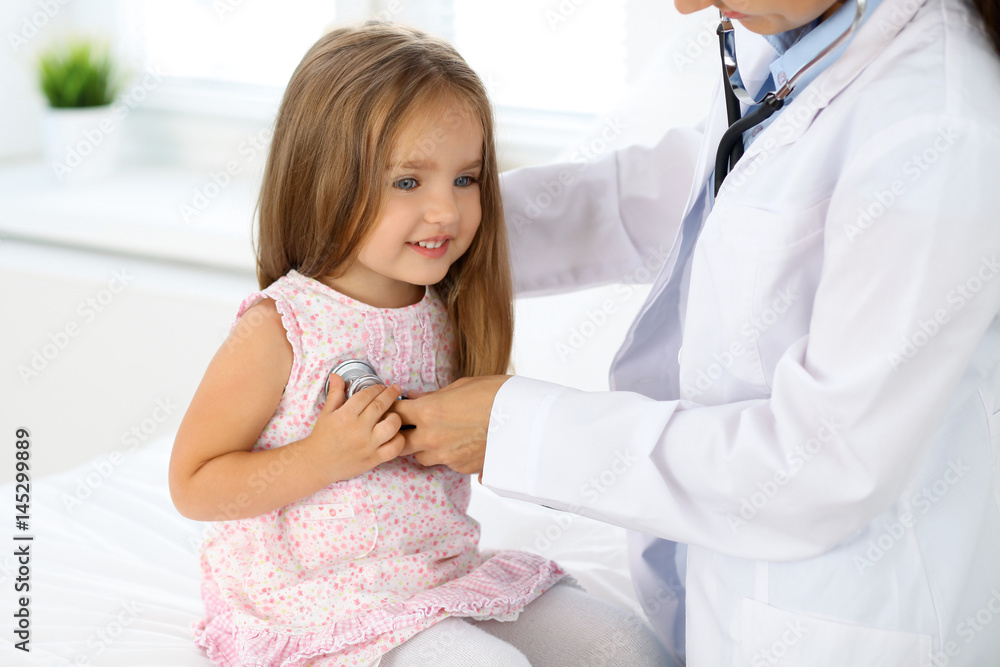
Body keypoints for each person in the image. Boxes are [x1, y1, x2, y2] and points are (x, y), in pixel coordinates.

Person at [390, 0, 1000, 665]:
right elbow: (664, 196)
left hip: (846, 622)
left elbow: (821, 464)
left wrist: (516, 429)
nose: (685, 5)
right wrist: (424, 226)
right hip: (718, 595)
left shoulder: (936, 127)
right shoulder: (805, 49)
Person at [168, 22, 671, 667]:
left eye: (466, 179)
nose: (447, 211)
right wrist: (322, 457)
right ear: (327, 177)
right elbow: (193, 483)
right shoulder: (280, 328)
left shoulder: (444, 311)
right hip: (321, 603)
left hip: (437, 578)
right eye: (409, 182)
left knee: (624, 648)